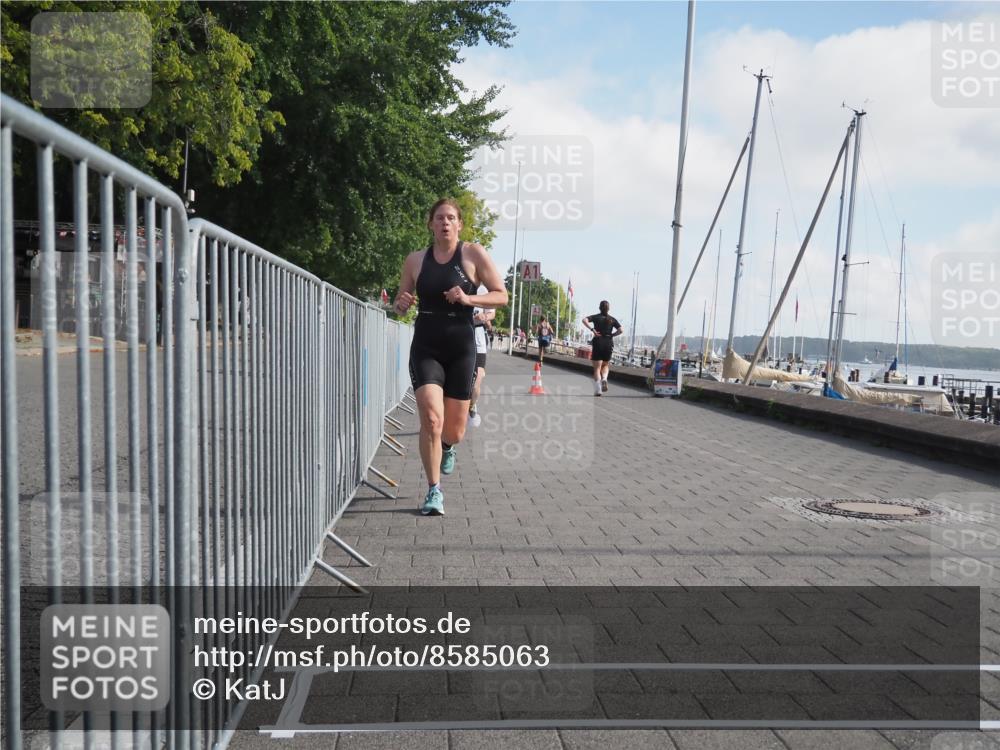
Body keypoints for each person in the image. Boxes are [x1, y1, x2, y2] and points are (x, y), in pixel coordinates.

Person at [394, 199, 508, 516]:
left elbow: (501, 294)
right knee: (431, 419)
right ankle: (434, 490)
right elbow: (401, 303)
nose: (445, 222)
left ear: (459, 224)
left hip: (461, 348)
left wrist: (468, 297)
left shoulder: (472, 254)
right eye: (439, 217)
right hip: (426, 346)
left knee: (454, 430)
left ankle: (448, 447)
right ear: (430, 224)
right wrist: (400, 304)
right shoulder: (416, 260)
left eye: (451, 218)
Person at [583, 300, 623, 396]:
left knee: (597, 368)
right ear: (608, 309)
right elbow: (621, 330)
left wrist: (592, 330)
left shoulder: (596, 317)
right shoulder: (612, 319)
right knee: (605, 365)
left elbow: (584, 320)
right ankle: (604, 378)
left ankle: (598, 389)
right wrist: (612, 334)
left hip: (598, 341)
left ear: (599, 308)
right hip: (608, 342)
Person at [469, 288, 494, 428]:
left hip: (479, 341)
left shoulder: (484, 290)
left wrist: (485, 317)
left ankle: (472, 404)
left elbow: (492, 313)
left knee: (478, 380)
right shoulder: (460, 282)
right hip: (461, 338)